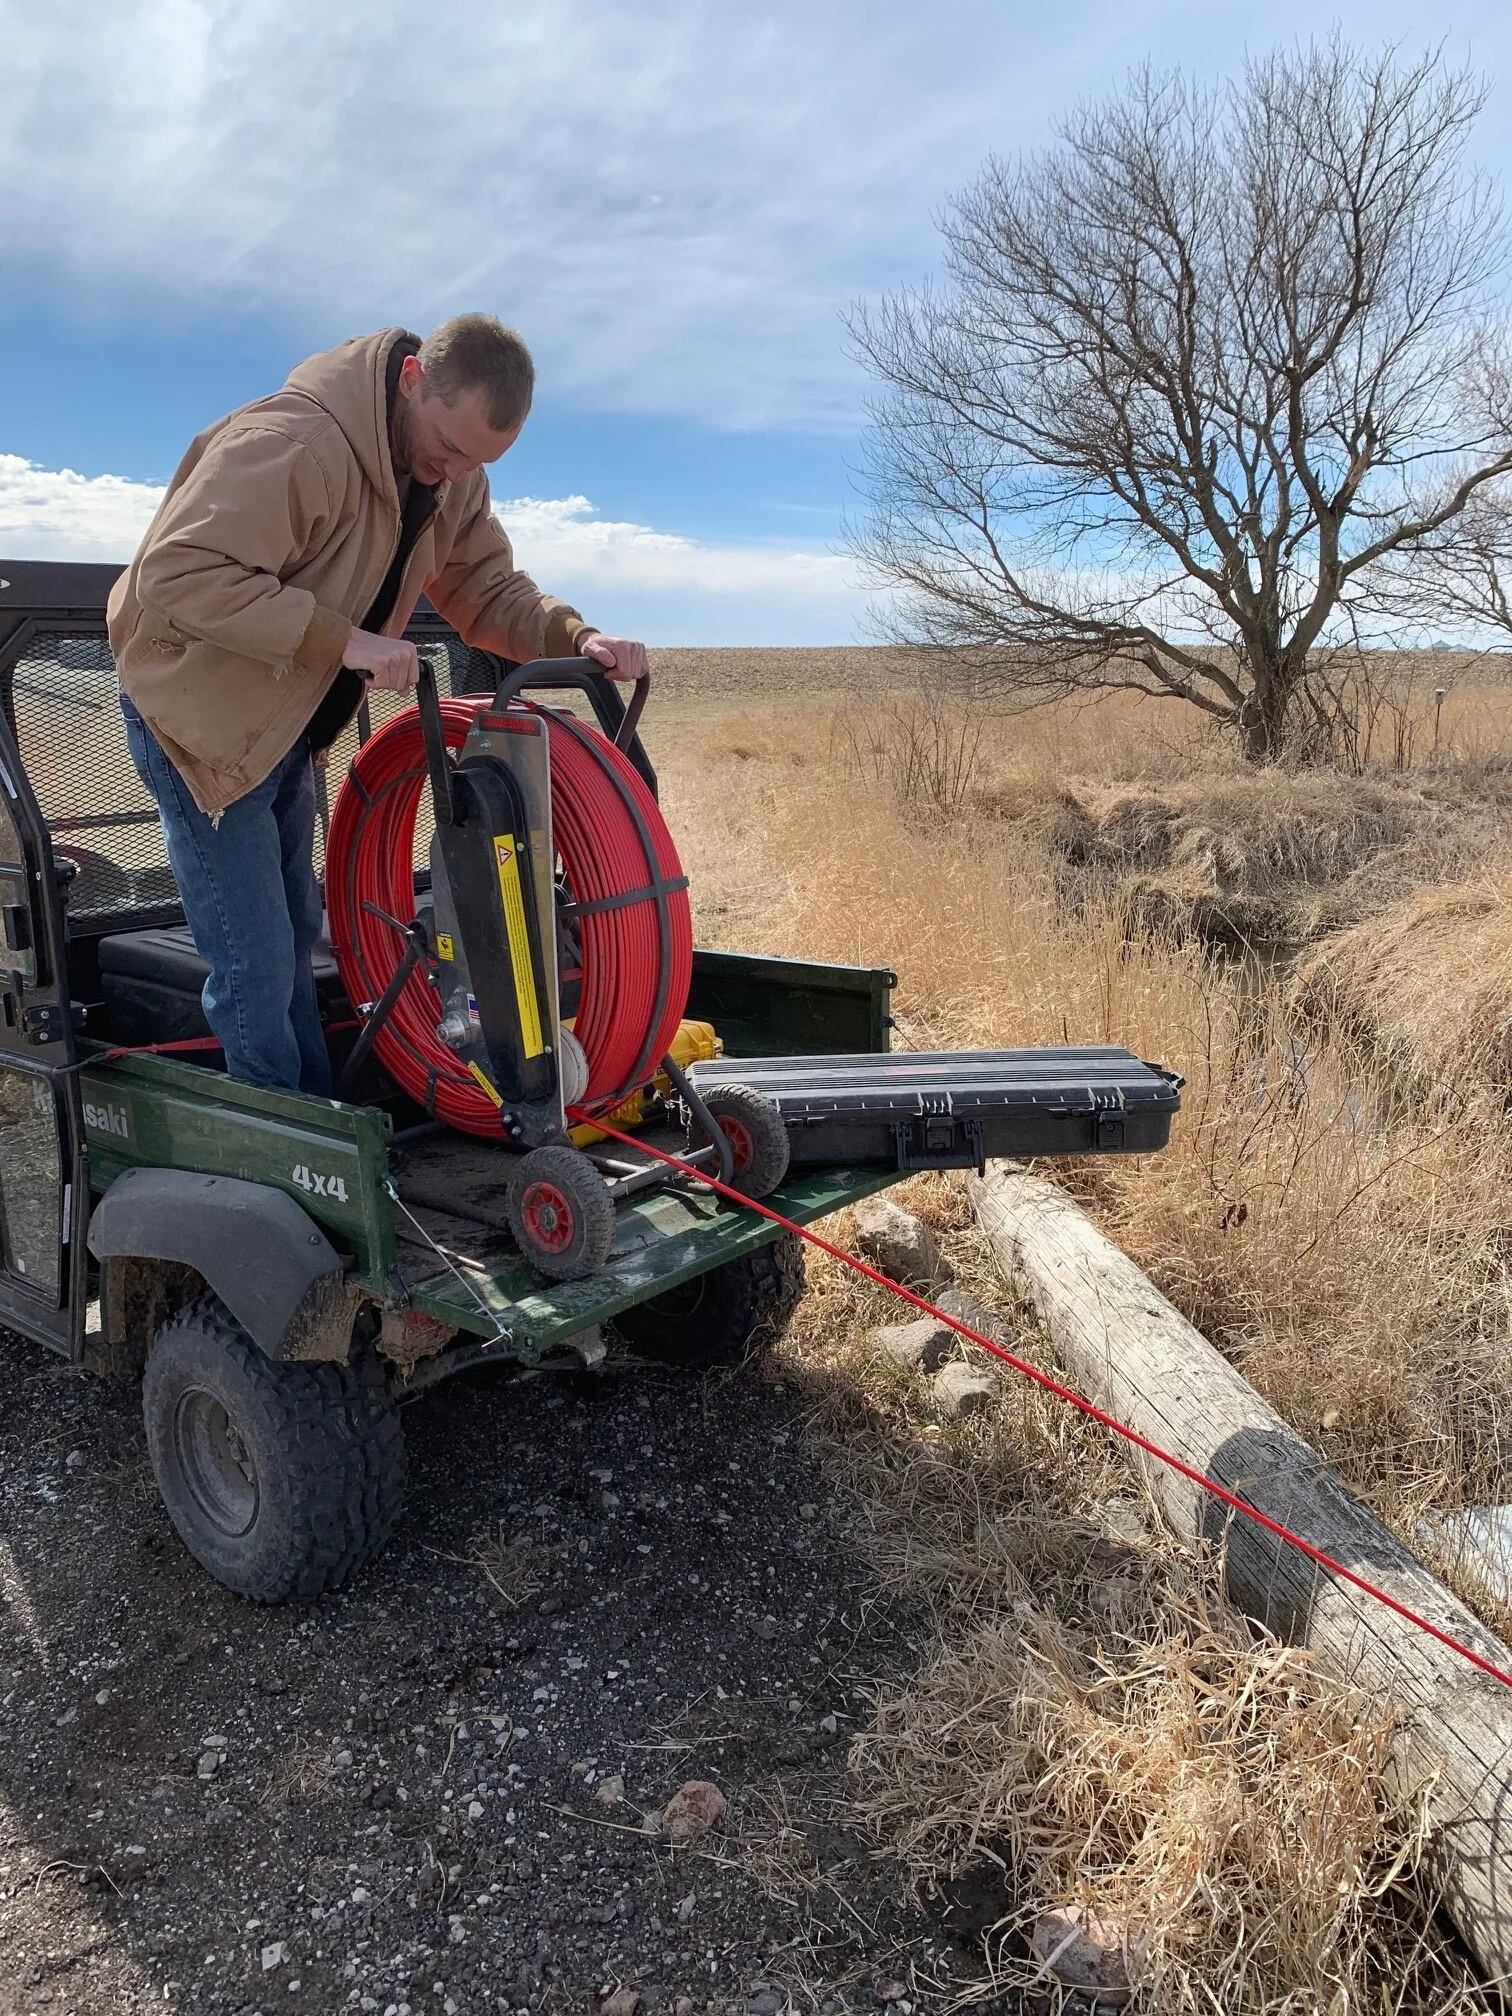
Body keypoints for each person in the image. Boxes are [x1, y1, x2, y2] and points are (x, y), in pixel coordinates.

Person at [108, 317, 648, 1096]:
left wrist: (579, 635)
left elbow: (485, 588)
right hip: (202, 721)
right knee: (254, 955)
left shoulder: (450, 478)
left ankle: (315, 1116)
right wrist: (344, 641)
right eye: (448, 445)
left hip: (286, 723)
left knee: (296, 935)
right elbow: (179, 574)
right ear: (411, 379)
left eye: (477, 461)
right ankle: (286, 1138)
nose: (455, 470)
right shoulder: (295, 442)